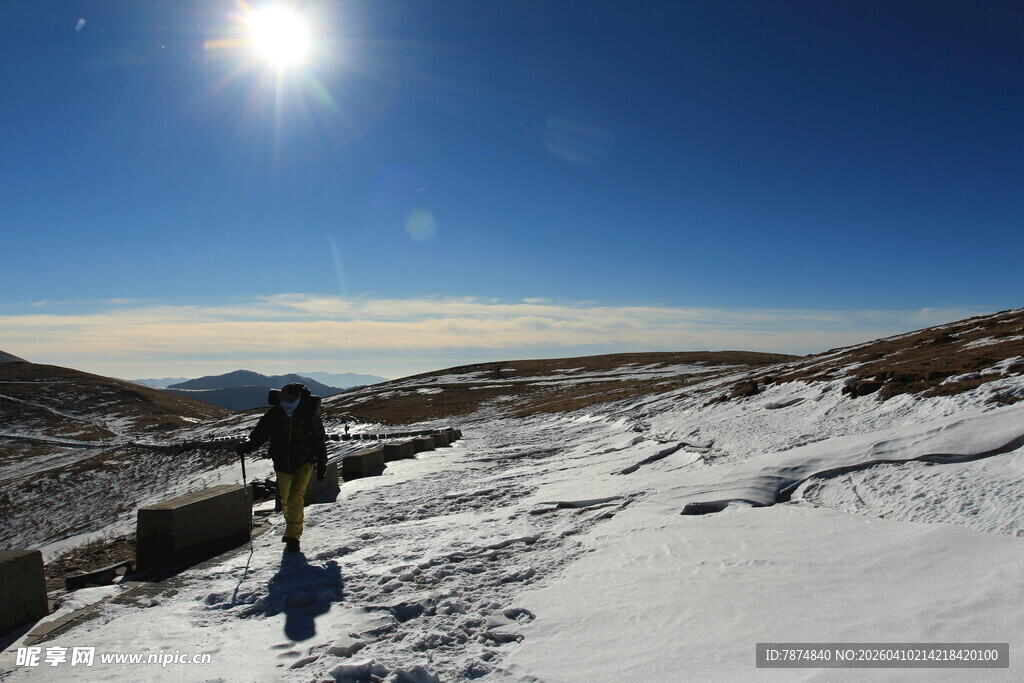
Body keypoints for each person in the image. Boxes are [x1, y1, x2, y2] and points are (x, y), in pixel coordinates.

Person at [236, 382, 328, 553]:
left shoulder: (309, 416)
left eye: (291, 398)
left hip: (304, 462)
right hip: (281, 464)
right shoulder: (275, 414)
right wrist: (247, 446)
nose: (287, 401)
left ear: (300, 399)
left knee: (295, 497)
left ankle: (293, 536)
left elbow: (319, 440)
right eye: (284, 398)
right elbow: (260, 434)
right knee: (285, 499)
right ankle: (290, 528)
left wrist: (322, 462)